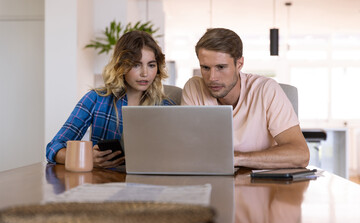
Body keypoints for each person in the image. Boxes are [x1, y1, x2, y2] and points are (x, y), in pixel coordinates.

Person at [181, 28, 309, 169]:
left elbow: (300, 155)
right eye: (205, 68)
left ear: (239, 64)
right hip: (212, 182)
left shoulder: (266, 90)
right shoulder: (194, 88)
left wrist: (237, 159)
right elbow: (187, 151)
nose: (212, 78)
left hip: (262, 185)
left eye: (221, 67)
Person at [46, 31, 173, 168]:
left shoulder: (165, 107)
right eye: (136, 65)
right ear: (121, 65)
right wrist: (86, 158)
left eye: (151, 65)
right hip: (104, 183)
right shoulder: (96, 99)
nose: (145, 73)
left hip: (150, 184)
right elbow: (54, 148)